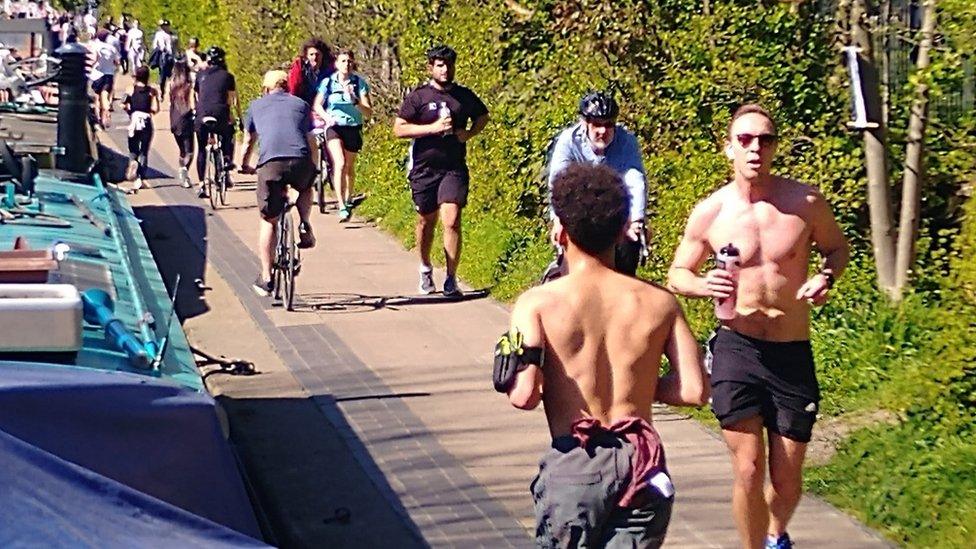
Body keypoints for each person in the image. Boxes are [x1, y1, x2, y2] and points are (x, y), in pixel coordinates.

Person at [667, 104, 850, 549]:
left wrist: (825, 277)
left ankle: (774, 534)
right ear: (728, 148)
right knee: (748, 468)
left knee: (787, 480)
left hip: (791, 350)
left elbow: (837, 250)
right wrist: (702, 284)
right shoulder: (711, 212)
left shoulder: (804, 204)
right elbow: (677, 273)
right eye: (745, 140)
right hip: (736, 347)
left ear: (774, 148)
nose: (755, 148)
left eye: (765, 140)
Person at [499, 162, 708, 548]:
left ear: (559, 231)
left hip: (576, 461)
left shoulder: (538, 304)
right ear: (621, 230)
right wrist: (640, 384)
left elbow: (524, 395)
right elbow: (694, 390)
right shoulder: (661, 303)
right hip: (641, 462)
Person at [393, 45, 489, 297]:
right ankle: (425, 268)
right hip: (423, 168)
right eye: (440, 65)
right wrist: (432, 128)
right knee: (426, 221)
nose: (445, 70)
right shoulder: (419, 97)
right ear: (431, 67)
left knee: (452, 219)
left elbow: (482, 116)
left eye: (448, 65)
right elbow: (399, 129)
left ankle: (450, 278)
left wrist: (468, 133)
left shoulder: (463, 96)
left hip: (453, 167)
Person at [547, 91, 648, 277]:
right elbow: (558, 182)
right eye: (597, 125)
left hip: (615, 212)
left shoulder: (627, 141)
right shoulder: (568, 141)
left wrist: (636, 220)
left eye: (609, 125)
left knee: (630, 247)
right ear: (585, 122)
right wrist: (558, 219)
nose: (603, 131)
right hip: (579, 211)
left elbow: (635, 180)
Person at [240, 70, 318, 296]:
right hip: (300, 159)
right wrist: (313, 167)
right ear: (287, 87)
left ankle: (266, 277)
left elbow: (248, 141)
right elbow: (311, 139)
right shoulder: (302, 105)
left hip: (271, 164)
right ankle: (304, 222)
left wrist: (244, 164)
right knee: (305, 186)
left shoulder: (256, 106)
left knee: (268, 220)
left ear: (265, 89)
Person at [312, 48, 372, 222]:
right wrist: (327, 117)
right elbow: (317, 105)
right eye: (343, 61)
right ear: (337, 64)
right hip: (334, 127)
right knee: (340, 163)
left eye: (349, 61)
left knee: (349, 168)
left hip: (353, 127)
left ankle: (348, 198)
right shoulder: (328, 83)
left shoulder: (359, 83)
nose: (347, 64)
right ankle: (341, 204)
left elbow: (368, 112)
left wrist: (356, 102)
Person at [193, 45, 241, 198]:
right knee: (228, 133)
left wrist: (196, 112)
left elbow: (196, 96)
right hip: (220, 113)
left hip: (201, 114)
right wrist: (235, 118)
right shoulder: (228, 76)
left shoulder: (200, 75)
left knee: (201, 149)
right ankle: (227, 159)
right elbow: (231, 100)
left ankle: (201, 184)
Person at [121, 65, 159, 191]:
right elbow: (155, 109)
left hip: (134, 121)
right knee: (144, 151)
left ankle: (133, 164)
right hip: (146, 121)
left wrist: (130, 111)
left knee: (133, 149)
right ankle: (140, 178)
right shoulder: (151, 91)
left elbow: (123, 103)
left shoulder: (130, 89)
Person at [168, 57, 194, 188]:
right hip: (186, 119)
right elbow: (192, 103)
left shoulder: (171, 84)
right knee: (190, 151)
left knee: (182, 151)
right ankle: (184, 172)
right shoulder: (189, 85)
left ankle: (182, 170)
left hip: (173, 119)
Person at [87, 28, 119, 128]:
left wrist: (90, 67)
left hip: (97, 74)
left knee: (97, 97)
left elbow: (94, 58)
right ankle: (107, 109)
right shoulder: (111, 48)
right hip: (109, 74)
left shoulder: (95, 46)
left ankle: (98, 117)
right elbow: (117, 61)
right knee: (105, 95)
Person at [287, 37, 332, 106]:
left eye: (317, 54)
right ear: (306, 56)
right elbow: (293, 90)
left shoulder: (329, 71)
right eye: (311, 54)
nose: (314, 58)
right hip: (303, 106)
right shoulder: (302, 71)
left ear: (323, 56)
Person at [150, 19, 175, 98]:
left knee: (172, 74)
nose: (164, 28)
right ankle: (162, 91)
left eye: (165, 26)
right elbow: (155, 45)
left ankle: (171, 91)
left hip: (171, 56)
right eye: (163, 26)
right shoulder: (159, 34)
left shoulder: (173, 35)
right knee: (163, 75)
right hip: (163, 56)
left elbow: (176, 47)